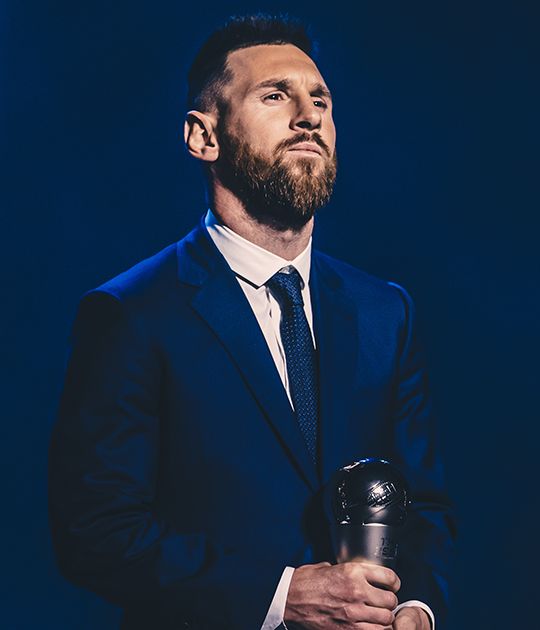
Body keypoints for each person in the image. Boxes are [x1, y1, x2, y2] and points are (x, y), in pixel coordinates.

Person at [48, 15, 453, 630]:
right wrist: (279, 596)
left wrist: (417, 608)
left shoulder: (385, 311)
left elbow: (424, 508)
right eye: (274, 96)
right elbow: (95, 532)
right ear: (203, 137)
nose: (309, 116)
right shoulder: (130, 314)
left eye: (320, 100)